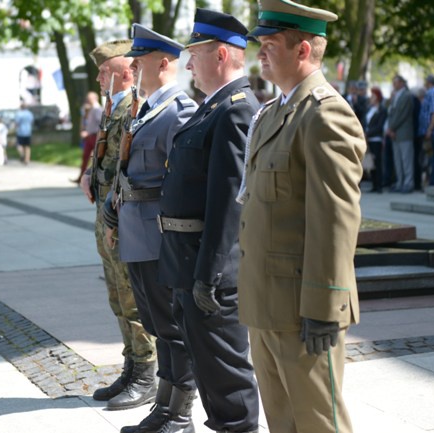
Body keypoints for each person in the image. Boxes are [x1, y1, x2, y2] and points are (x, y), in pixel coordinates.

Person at [238, 1, 366, 432]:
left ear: (304, 50)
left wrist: (325, 305)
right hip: (266, 302)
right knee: (283, 423)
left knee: (319, 423)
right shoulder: (275, 112)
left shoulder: (325, 114)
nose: (260, 53)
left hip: (302, 310)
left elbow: (335, 220)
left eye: (270, 44)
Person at [156, 8, 261, 433]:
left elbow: (228, 204)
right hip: (188, 262)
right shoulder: (211, 107)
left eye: (194, 54)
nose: (187, 64)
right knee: (207, 369)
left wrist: (210, 275)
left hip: (209, 269)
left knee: (226, 376)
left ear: (220, 55)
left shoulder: (235, 110)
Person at [101, 25, 198, 433]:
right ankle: (162, 405)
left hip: (159, 235)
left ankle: (180, 412)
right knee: (157, 327)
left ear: (164, 63)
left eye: (140, 61)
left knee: (174, 330)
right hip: (136, 233)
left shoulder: (180, 110)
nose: (133, 67)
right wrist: (111, 211)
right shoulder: (145, 109)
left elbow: (180, 181)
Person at [79, 40, 157, 411]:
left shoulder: (133, 107)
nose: (98, 78)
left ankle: (146, 373)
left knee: (132, 300)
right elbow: (109, 157)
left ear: (126, 73)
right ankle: (130, 365)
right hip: (107, 219)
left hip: (122, 220)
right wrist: (90, 174)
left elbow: (132, 168)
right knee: (116, 296)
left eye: (104, 72)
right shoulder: (114, 108)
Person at [386, 75, 415, 193]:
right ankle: (400, 182)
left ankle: (408, 183)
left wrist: (391, 128)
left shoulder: (407, 95)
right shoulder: (395, 96)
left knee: (406, 160)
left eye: (396, 82)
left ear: (402, 83)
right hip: (395, 134)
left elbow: (402, 114)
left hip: (403, 133)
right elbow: (390, 112)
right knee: (398, 160)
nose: (394, 85)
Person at [73, 92, 102, 183]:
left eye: (89, 99)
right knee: (85, 156)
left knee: (96, 157)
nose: (87, 101)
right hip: (90, 136)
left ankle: (95, 177)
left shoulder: (97, 109)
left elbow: (101, 123)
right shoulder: (91, 109)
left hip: (95, 136)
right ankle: (81, 177)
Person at [365, 87, 387, 193]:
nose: (371, 98)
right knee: (371, 163)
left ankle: (379, 185)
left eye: (373, 96)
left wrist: (368, 133)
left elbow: (379, 126)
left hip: (376, 139)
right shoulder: (369, 108)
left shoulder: (382, 110)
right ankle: (374, 185)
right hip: (368, 139)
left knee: (377, 162)